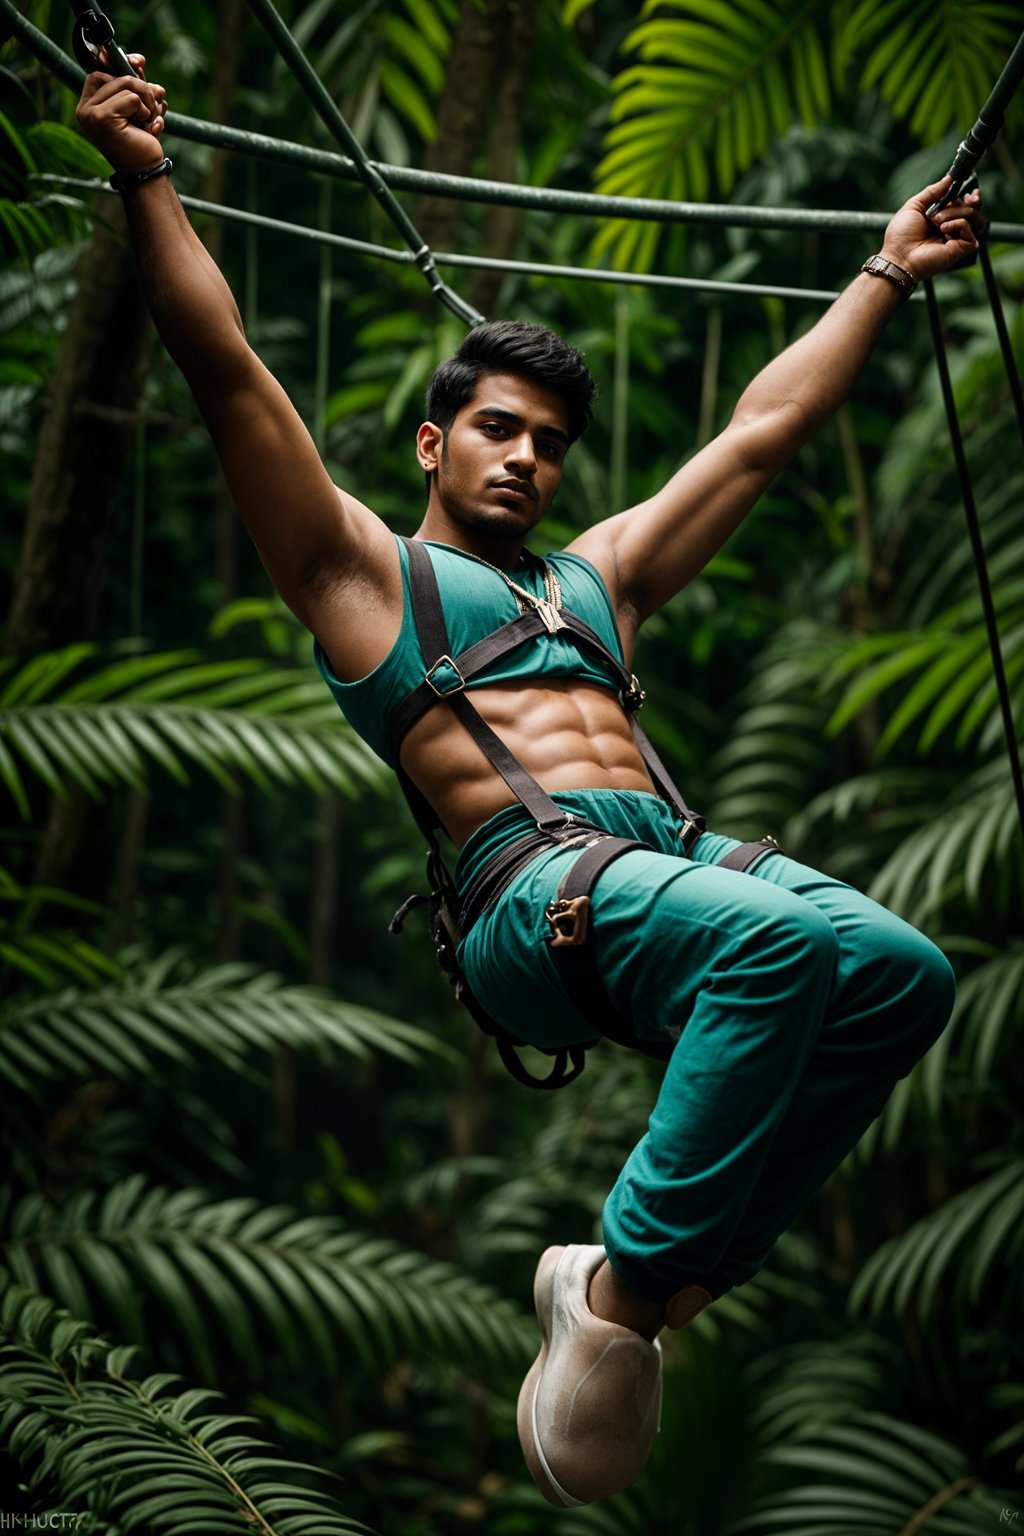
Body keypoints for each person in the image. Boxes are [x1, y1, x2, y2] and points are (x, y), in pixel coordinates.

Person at [75, 55, 983, 1509]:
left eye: (549, 445)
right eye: (498, 429)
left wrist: (886, 266)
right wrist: (142, 175)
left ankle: (649, 1289)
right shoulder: (369, 579)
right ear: (435, 443)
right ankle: (621, 1308)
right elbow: (229, 367)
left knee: (901, 971)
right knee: (779, 941)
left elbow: (761, 433)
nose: (527, 459)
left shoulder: (596, 578)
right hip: (528, 903)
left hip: (669, 867)